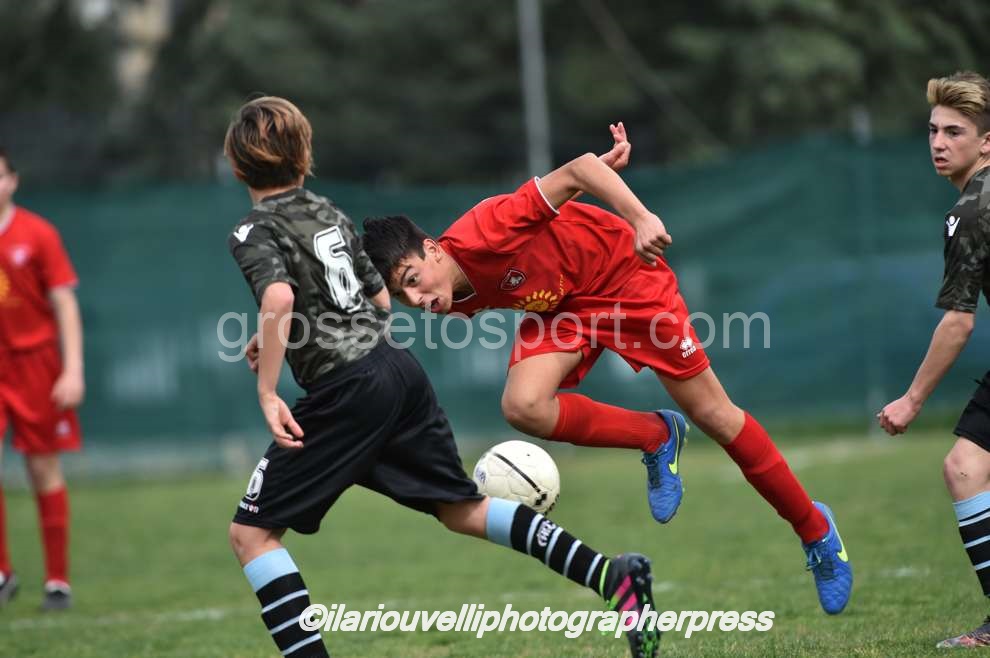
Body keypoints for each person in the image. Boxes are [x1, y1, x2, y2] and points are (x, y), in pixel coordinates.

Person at [224, 96, 661, 658]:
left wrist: (268, 389)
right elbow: (377, 300)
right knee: (461, 509)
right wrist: (283, 332)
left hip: (346, 390)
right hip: (395, 372)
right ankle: (612, 577)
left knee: (252, 534)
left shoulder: (254, 229)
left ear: (238, 167)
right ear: (304, 154)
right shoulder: (327, 213)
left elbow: (281, 297)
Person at [362, 124, 853, 615]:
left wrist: (639, 217)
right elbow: (558, 202)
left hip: (626, 278)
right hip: (565, 308)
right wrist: (584, 180)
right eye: (403, 295)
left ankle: (815, 530)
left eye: (413, 280)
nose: (416, 299)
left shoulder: (485, 230)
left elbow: (577, 169)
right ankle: (656, 436)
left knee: (717, 417)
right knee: (524, 406)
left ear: (433, 249)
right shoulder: (449, 293)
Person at [879, 71, 990, 648]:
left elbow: (958, 321)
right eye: (932, 131)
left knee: (965, 467)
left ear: (986, 142)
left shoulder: (971, 212)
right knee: (966, 467)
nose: (939, 143)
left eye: (955, 132)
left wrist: (912, 399)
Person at [0, 148, 84, 611]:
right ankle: (2, 572)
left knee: (42, 466)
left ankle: (57, 580)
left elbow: (64, 303)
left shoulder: (38, 233)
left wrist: (72, 369)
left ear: (13, 180)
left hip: (35, 362)